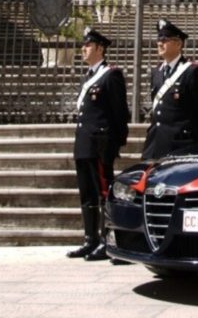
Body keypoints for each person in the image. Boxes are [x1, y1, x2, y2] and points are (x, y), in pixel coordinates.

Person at [67, 28, 130, 261]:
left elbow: (119, 113)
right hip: (84, 144)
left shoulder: (111, 75)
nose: (83, 49)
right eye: (83, 45)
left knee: (104, 193)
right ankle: (89, 239)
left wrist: (115, 145)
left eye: (88, 45)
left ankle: (106, 240)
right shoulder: (87, 77)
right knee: (87, 194)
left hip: (101, 146)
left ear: (100, 49)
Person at [142, 19, 198, 160]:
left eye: (165, 39)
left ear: (179, 44)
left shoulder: (191, 71)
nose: (160, 43)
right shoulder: (157, 72)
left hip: (180, 144)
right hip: (155, 144)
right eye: (158, 39)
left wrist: (192, 140)